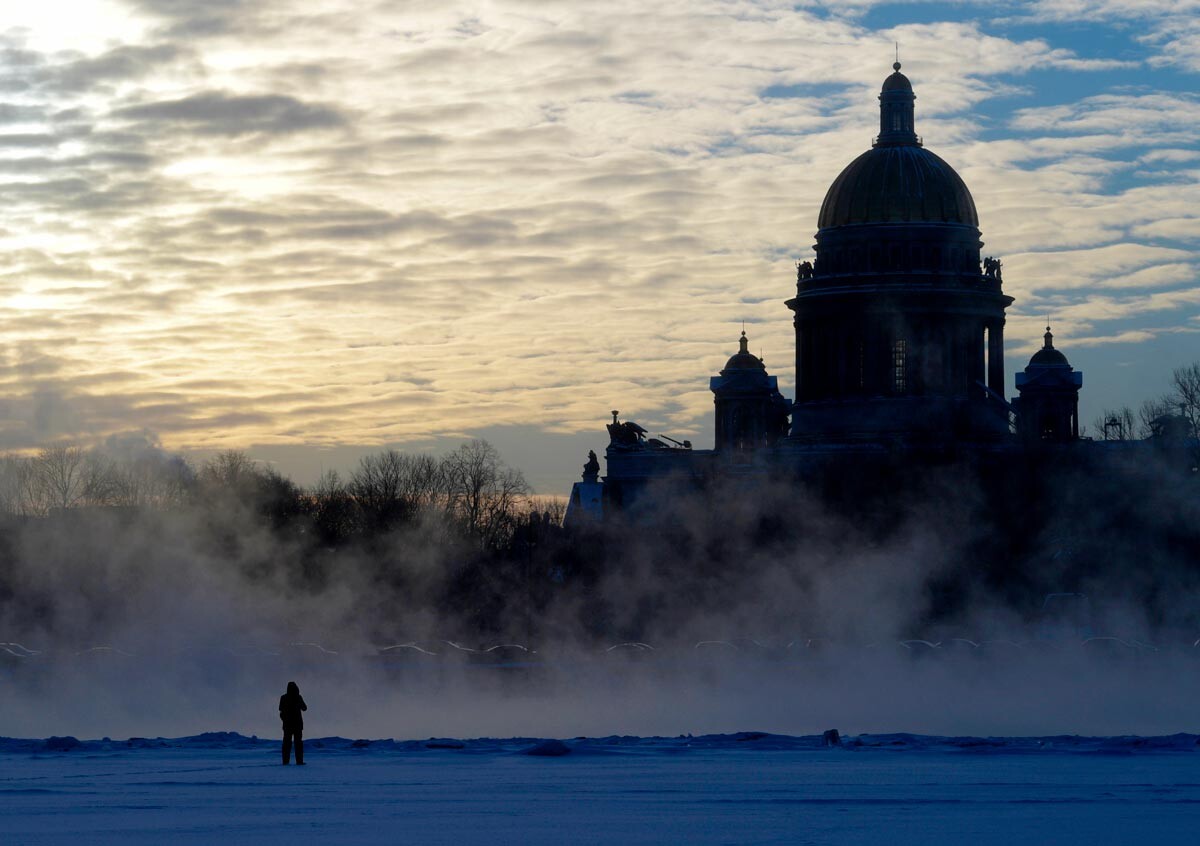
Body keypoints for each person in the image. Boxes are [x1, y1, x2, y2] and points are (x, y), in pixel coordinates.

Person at [279, 681, 307, 765]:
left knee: (287, 744)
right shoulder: (298, 697)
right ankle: (299, 761)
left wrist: (284, 719)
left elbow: (281, 710)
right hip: (296, 725)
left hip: (288, 725)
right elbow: (305, 708)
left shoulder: (284, 697)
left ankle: (286, 761)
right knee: (297, 743)